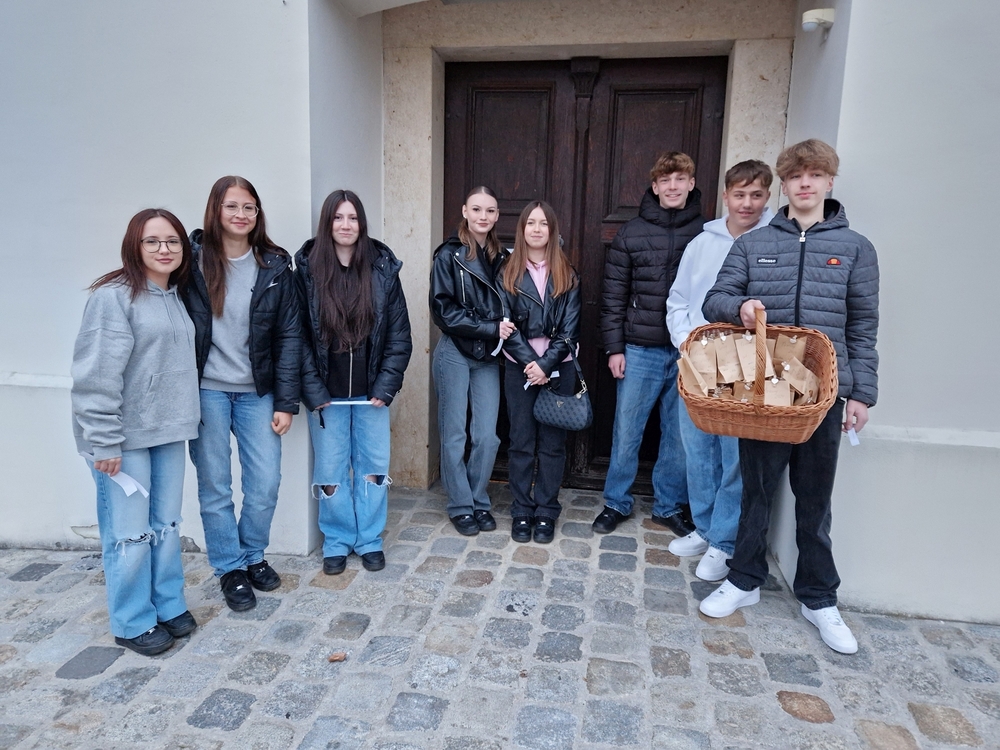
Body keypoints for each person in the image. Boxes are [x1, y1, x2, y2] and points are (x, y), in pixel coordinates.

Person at [699, 139, 879, 655]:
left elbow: (863, 326)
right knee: (756, 492)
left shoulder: (856, 248)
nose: (805, 183)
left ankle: (819, 598)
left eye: (815, 175)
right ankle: (744, 579)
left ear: (828, 182)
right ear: (784, 183)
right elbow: (715, 299)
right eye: (796, 175)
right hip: (765, 390)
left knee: (815, 499)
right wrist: (740, 307)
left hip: (825, 394)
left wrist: (861, 393)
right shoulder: (753, 244)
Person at [71, 208, 200, 656]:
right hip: (124, 439)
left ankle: (167, 603)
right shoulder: (113, 298)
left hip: (169, 430)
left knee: (165, 526)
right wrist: (103, 440)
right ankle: (132, 620)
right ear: (134, 246)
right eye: (152, 241)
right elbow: (96, 376)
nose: (164, 249)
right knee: (128, 534)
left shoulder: (176, 296)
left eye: (172, 241)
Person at [182, 176, 301, 612]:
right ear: (216, 210)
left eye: (249, 207)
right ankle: (229, 567)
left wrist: (286, 401)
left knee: (265, 483)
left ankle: (253, 555)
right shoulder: (191, 263)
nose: (241, 214)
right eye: (232, 206)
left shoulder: (274, 265)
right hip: (207, 391)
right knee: (215, 485)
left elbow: (289, 336)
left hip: (257, 392)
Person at [665, 160, 774, 581]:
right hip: (697, 358)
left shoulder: (773, 242)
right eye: (739, 195)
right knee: (697, 449)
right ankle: (705, 526)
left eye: (756, 195)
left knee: (733, 457)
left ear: (767, 197)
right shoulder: (702, 243)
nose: (747, 203)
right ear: (725, 196)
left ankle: (724, 541)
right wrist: (685, 341)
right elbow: (678, 299)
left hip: (744, 362)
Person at [298, 190, 412, 575]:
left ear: (361, 223)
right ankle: (337, 538)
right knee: (330, 470)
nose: (345, 225)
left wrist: (386, 386)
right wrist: (313, 390)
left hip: (371, 393)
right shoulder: (308, 272)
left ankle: (369, 539)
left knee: (373, 468)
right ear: (327, 223)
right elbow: (297, 338)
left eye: (352, 218)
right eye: (338, 218)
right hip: (326, 396)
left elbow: (399, 336)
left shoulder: (382, 270)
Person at [593, 152, 704, 536]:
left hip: (689, 351)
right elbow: (613, 296)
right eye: (665, 180)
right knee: (627, 431)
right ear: (655, 187)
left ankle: (668, 506)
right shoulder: (632, 232)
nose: (673, 186)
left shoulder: (706, 233)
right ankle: (616, 501)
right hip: (639, 349)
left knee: (679, 435)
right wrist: (614, 348)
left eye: (680, 179)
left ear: (691, 183)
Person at [429, 186, 515, 536]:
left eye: (490, 210)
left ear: (497, 216)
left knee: (487, 436)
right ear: (465, 211)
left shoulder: (502, 257)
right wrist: (491, 328)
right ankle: (461, 505)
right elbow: (443, 311)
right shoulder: (449, 255)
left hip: (487, 356)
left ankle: (479, 499)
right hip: (455, 351)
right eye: (476, 209)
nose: (483, 216)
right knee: (453, 434)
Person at [497, 202, 581, 544]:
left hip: (559, 368)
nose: (536, 229)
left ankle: (546, 508)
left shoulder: (567, 273)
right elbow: (506, 326)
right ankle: (521, 507)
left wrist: (546, 365)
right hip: (520, 368)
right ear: (521, 229)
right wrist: (532, 364)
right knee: (521, 441)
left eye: (543, 223)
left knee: (552, 444)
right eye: (530, 223)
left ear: (552, 230)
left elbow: (570, 329)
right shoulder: (507, 273)